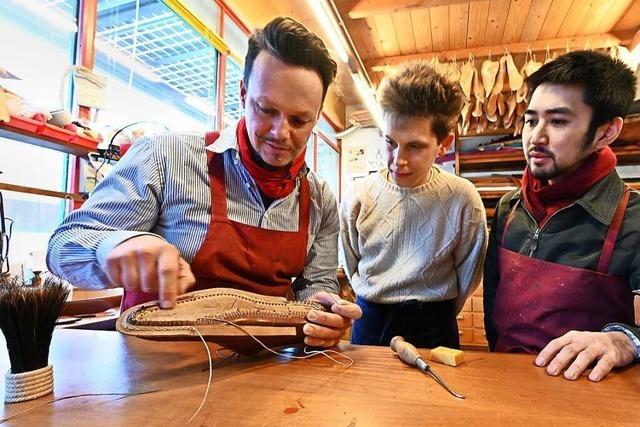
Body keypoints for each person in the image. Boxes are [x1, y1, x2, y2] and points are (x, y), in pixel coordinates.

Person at [47, 16, 361, 348]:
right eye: (266, 109)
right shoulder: (166, 158)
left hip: (266, 378)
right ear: (243, 94)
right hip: (155, 374)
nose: (280, 133)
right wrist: (112, 247)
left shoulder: (320, 201)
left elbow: (316, 284)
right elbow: (61, 248)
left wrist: (322, 311)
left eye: (299, 120)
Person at [483, 50, 640, 381]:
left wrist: (623, 340)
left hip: (588, 396)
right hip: (506, 385)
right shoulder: (510, 208)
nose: (536, 137)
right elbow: (493, 309)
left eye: (557, 121)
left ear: (606, 132)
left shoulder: (633, 219)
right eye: (530, 120)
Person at [340, 62, 487, 348]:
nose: (398, 159)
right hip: (370, 320)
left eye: (415, 146)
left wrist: (434, 311)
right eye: (390, 142)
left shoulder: (463, 198)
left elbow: (468, 274)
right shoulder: (359, 195)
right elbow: (350, 262)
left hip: (434, 325)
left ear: (444, 143)